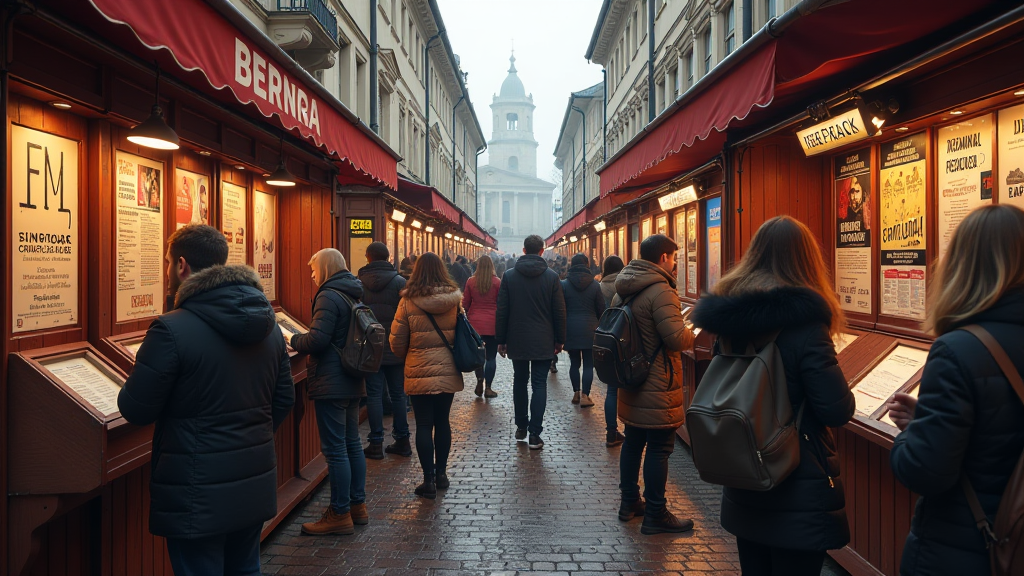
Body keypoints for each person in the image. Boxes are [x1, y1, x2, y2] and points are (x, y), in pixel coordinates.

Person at [117, 225, 294, 575]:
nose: (167, 271)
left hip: (195, 493)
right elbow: (284, 398)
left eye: (167, 263)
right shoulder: (269, 325)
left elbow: (135, 408)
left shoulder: (170, 329)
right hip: (253, 482)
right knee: (246, 568)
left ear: (181, 265)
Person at [691, 216, 855, 574]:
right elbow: (836, 408)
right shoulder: (807, 326)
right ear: (807, 261)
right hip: (796, 481)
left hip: (744, 473)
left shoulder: (729, 321)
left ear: (755, 255)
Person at [887, 205, 1024, 576]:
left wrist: (911, 435)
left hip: (971, 547)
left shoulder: (958, 349)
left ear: (963, 265)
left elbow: (926, 471)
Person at [611, 234, 694, 535]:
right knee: (659, 447)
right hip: (657, 382)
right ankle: (656, 513)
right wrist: (691, 331)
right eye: (674, 257)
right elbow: (676, 338)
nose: (675, 263)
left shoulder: (624, 287)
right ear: (663, 258)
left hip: (631, 379)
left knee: (633, 442)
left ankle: (629, 502)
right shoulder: (660, 290)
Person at [288, 248, 368, 535]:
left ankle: (339, 513)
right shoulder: (352, 291)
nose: (311, 276)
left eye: (313, 270)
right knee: (351, 444)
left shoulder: (327, 295)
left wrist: (293, 338)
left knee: (335, 451)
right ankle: (357, 506)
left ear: (324, 268)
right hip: (352, 377)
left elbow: (319, 340)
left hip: (332, 382)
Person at [390, 253, 465, 499]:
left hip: (418, 369)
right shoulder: (454, 300)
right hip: (447, 369)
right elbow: (463, 332)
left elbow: (397, 342)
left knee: (423, 424)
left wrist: (408, 354)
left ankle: (428, 480)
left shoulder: (408, 301)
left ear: (416, 271)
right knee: (442, 422)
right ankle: (442, 474)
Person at [496, 234, 567, 450]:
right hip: (543, 339)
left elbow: (502, 310)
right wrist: (560, 339)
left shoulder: (509, 276)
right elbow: (559, 312)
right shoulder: (552, 277)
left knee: (520, 381)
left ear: (524, 250)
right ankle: (535, 433)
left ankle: (520, 426)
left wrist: (501, 339)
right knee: (539, 384)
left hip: (517, 338)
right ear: (542, 251)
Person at [358, 242, 412, 460]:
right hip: (394, 346)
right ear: (389, 257)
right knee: (399, 395)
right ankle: (403, 440)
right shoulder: (400, 282)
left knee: (373, 395)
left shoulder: (359, 283)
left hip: (370, 347)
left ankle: (376, 443)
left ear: (368, 258)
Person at [561, 253, 606, 408]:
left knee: (574, 363)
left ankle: (576, 393)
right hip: (590, 329)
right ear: (587, 265)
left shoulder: (564, 284)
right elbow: (601, 309)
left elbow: (561, 309)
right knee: (588, 364)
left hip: (571, 328)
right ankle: (586, 395)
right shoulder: (595, 285)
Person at [464, 255, 501, 398]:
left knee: (478, 356)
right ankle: (489, 388)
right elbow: (501, 303)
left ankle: (480, 380)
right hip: (492, 324)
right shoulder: (497, 282)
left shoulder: (471, 281)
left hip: (475, 325)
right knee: (491, 357)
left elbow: (465, 303)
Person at [599, 255, 626, 446]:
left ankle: (611, 430)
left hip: (606, 339)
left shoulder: (599, 287)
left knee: (611, 389)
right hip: (625, 340)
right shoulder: (624, 288)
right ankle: (631, 430)